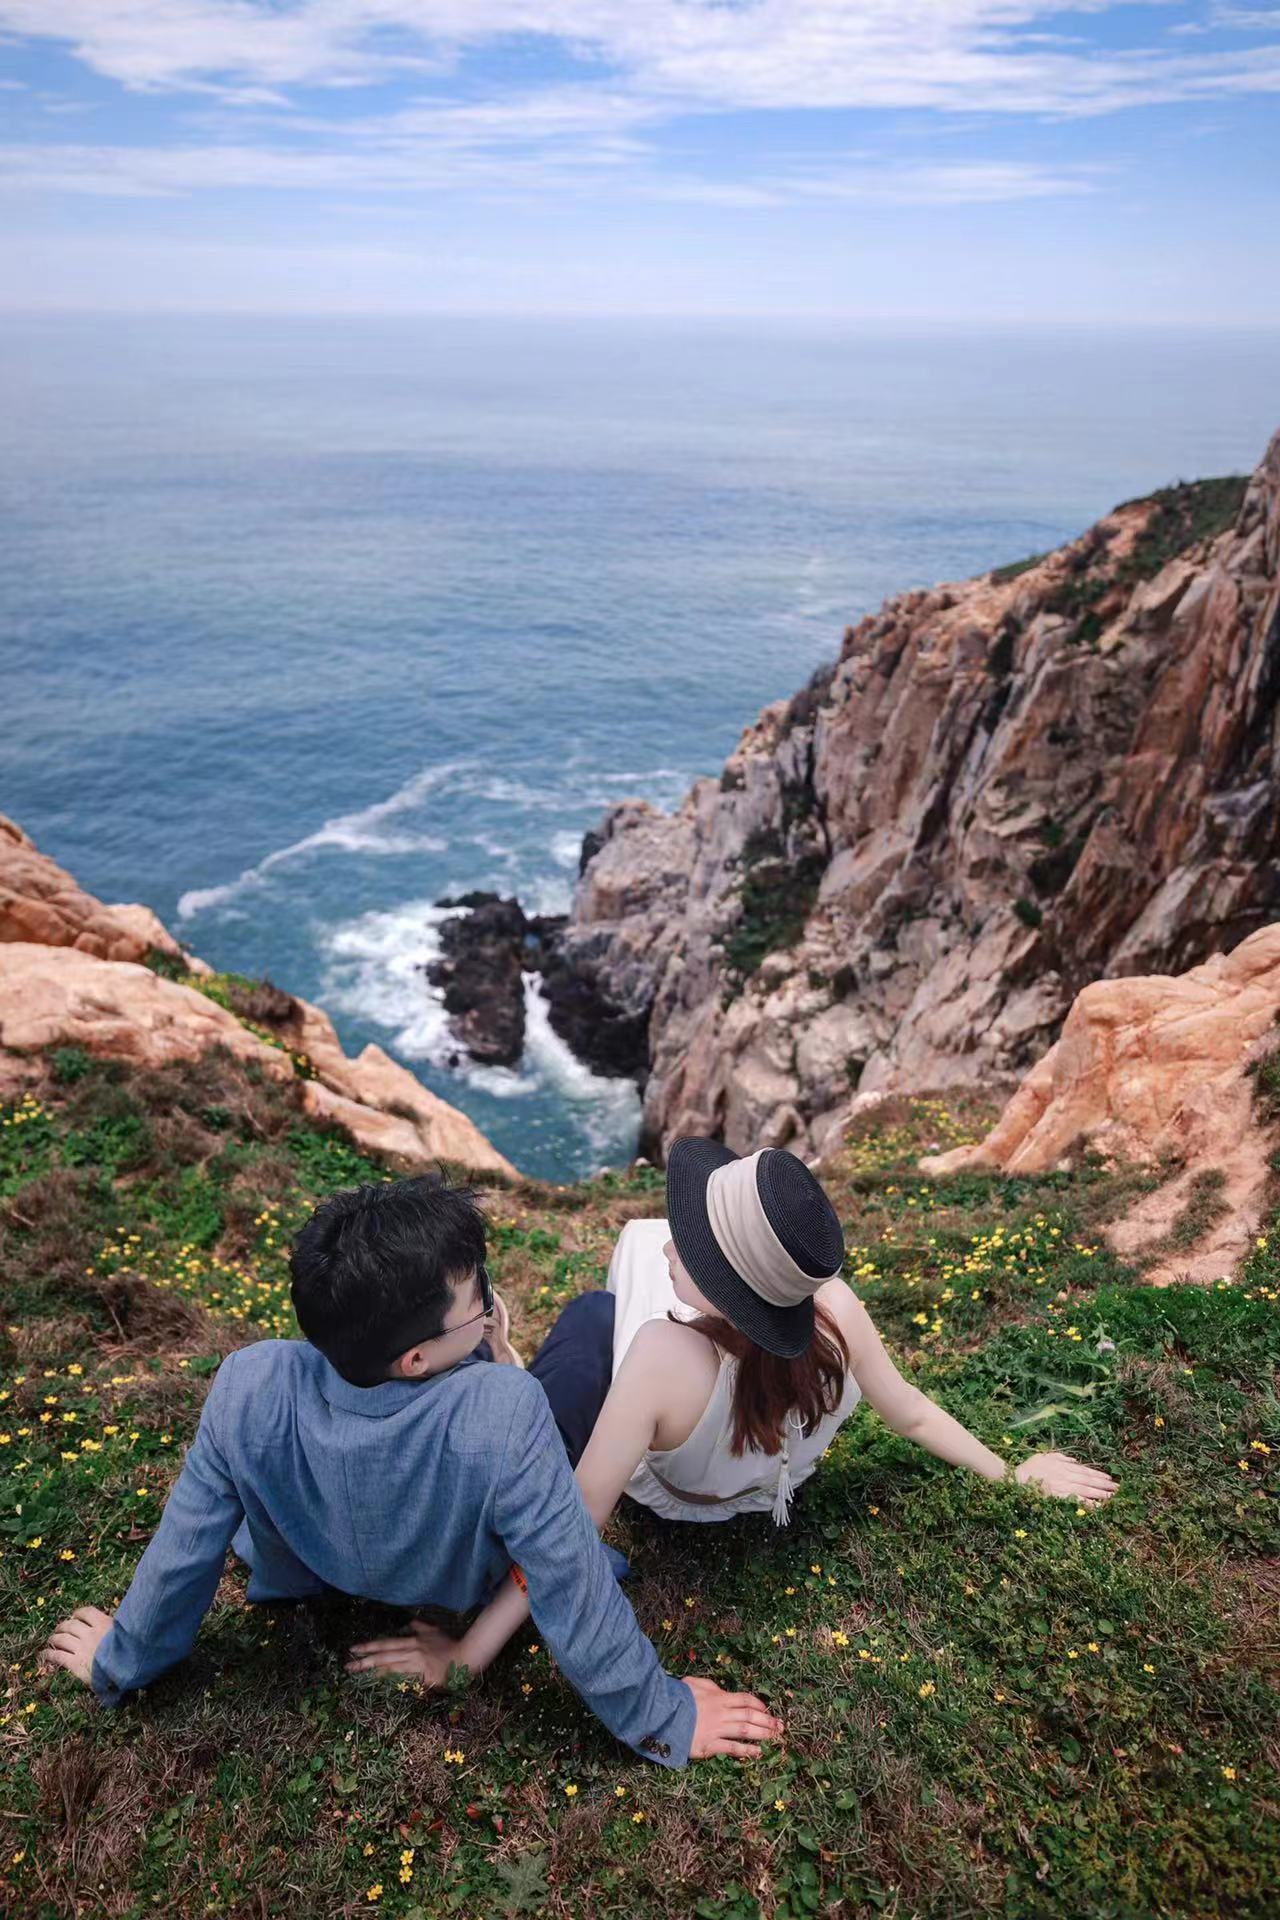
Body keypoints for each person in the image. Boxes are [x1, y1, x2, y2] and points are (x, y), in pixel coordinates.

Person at [42, 1175, 780, 1768]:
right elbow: (570, 1582)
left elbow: (183, 1552)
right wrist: (665, 1718)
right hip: (453, 1586)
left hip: (312, 1571)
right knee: (593, 1326)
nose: (489, 1304)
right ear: (415, 1358)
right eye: (476, 1303)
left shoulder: (249, 1384)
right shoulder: (504, 1412)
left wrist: (121, 1659)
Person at [349, 1137, 1117, 1687]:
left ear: (733, 1290)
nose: (670, 1246)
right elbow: (910, 1412)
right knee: (614, 1288)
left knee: (591, 1316)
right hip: (754, 1490)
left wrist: (467, 1656)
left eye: (692, 1244)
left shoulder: (659, 1355)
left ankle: (497, 1362)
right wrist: (1013, 1473)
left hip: (676, 1495)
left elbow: (573, 1523)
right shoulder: (836, 1313)